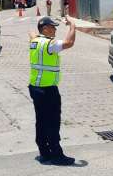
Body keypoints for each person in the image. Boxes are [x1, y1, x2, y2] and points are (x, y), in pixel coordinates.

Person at [28, 16, 76, 166]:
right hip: (48, 90)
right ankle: (57, 155)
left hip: (35, 88)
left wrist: (33, 33)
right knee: (53, 122)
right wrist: (73, 26)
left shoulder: (35, 41)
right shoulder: (49, 44)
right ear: (45, 29)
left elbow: (32, 34)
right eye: (53, 27)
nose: (55, 29)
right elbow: (69, 42)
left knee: (41, 121)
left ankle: (44, 153)